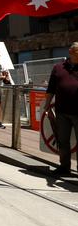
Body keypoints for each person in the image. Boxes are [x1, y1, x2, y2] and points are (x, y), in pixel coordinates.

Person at [43, 43, 78, 176]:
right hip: (62, 111)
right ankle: (64, 167)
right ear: (71, 51)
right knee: (62, 141)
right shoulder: (58, 68)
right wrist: (47, 106)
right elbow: (51, 89)